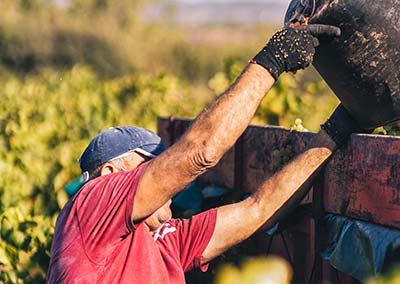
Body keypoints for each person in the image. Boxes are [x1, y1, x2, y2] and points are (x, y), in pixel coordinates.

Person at [47, 23, 362, 283]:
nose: (169, 179)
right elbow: (199, 152)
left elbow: (257, 210)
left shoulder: (166, 240)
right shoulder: (89, 207)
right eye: (150, 164)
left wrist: (337, 129)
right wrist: (272, 60)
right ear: (109, 176)